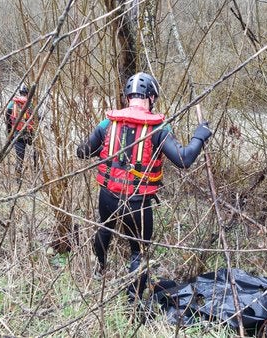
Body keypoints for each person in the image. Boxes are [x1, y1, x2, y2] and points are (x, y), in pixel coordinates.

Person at [76, 72, 212, 303]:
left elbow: (82, 152)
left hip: (107, 195)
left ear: (128, 96)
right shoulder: (158, 128)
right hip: (137, 203)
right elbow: (184, 159)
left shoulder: (108, 123)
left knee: (105, 228)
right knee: (138, 250)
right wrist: (200, 136)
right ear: (151, 97)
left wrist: (109, 154)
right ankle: (134, 301)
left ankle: (99, 270)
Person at [5, 84, 37, 175]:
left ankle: (18, 179)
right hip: (31, 134)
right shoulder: (31, 103)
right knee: (37, 151)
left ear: (20, 92)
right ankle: (35, 170)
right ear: (29, 93)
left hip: (18, 134)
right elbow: (37, 118)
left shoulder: (12, 103)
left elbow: (8, 119)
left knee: (19, 159)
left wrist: (9, 134)